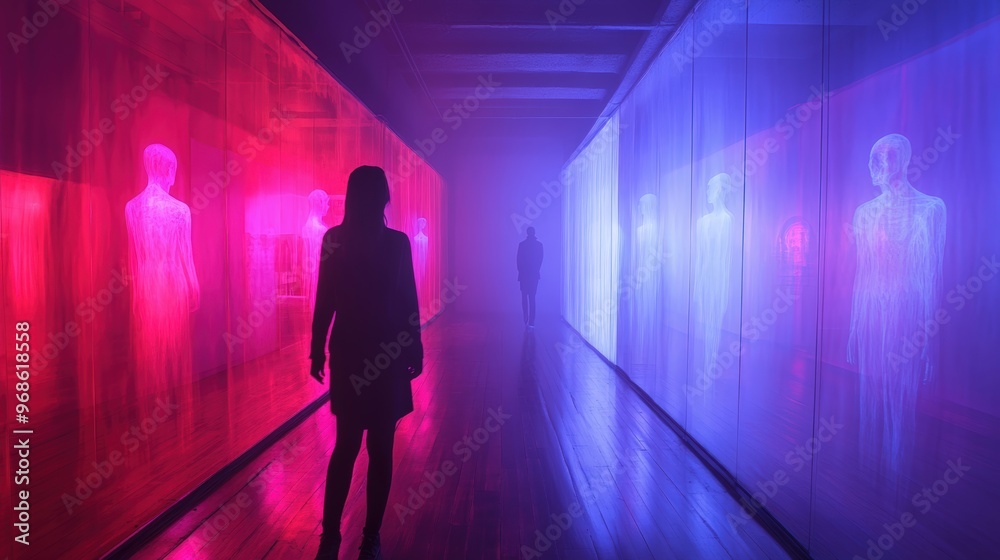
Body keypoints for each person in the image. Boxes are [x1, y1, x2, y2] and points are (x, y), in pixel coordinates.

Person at [309, 166, 423, 560]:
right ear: (383, 197)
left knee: (346, 445)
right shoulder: (396, 243)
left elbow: (325, 298)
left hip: (349, 353)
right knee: (380, 447)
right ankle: (370, 538)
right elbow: (407, 299)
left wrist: (317, 347)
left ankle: (330, 538)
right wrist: (414, 346)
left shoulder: (335, 239)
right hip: (387, 352)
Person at [517, 227, 544, 326]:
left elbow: (518, 261)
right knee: (532, 297)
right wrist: (536, 271)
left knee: (524, 297)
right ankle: (531, 320)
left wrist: (521, 272)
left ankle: (526, 318)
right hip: (533, 275)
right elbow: (540, 260)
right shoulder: (539, 245)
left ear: (527, 233)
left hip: (524, 275)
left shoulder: (522, 245)